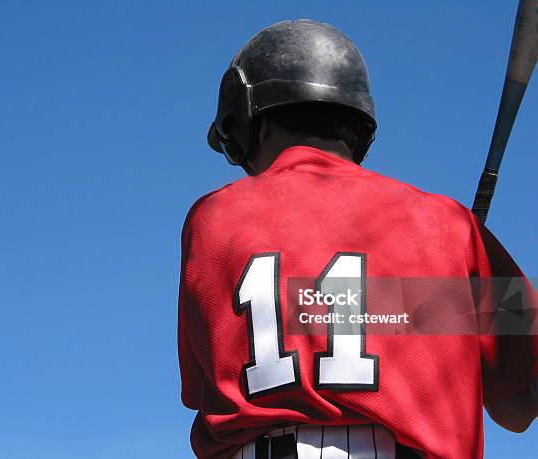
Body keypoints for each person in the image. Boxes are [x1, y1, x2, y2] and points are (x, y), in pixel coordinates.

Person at [178, 19, 536, 459]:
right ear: (358, 125)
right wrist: (450, 313)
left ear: (256, 122)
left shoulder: (212, 220)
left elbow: (209, 388)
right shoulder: (450, 226)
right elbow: (520, 408)